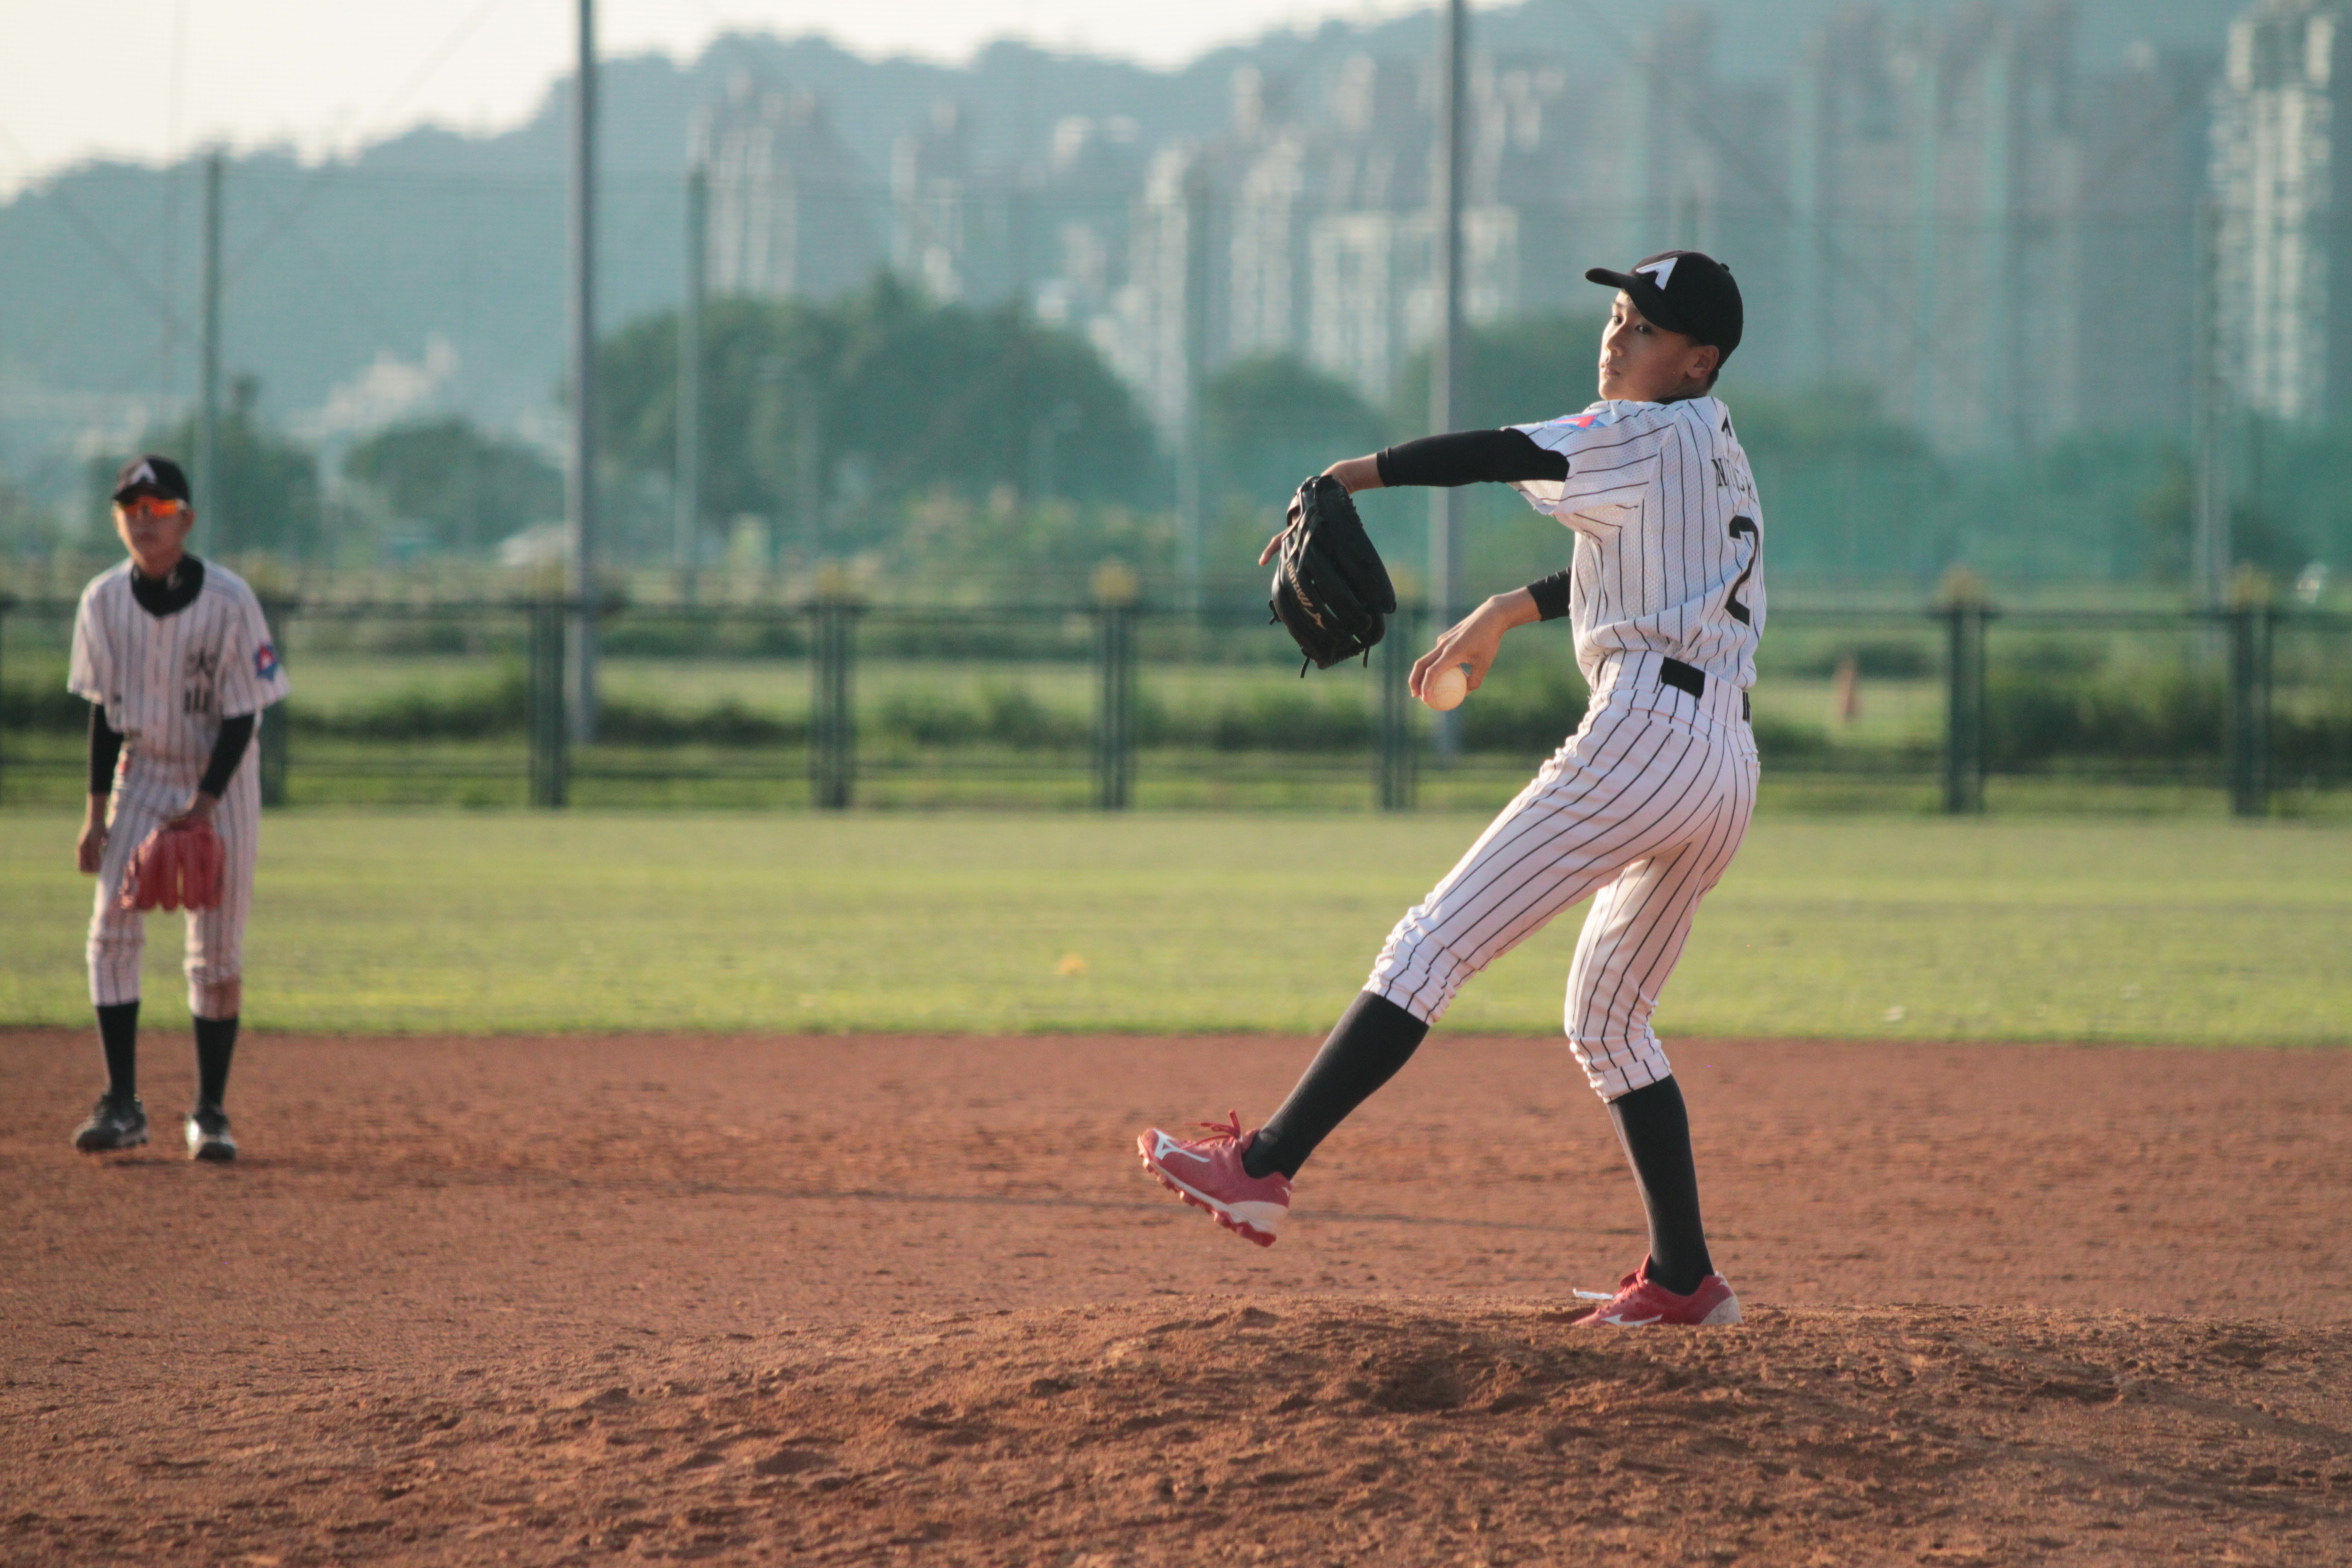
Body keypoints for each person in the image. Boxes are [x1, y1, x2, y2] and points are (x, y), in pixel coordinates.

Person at [1140, 251, 1762, 1327]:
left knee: (1429, 946)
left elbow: (1502, 450)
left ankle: (1264, 1166)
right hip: (1723, 764)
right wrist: (1511, 608)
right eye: (1618, 314)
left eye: (1646, 327)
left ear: (1698, 361)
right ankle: (1683, 1280)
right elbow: (1646, 562)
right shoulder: (1714, 447)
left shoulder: (1635, 431)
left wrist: (1351, 474)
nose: (1618, 335)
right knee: (1610, 1019)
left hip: (1645, 737)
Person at [68, 454, 290, 1161]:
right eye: (131, 509)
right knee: (110, 932)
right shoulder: (102, 601)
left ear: (186, 520)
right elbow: (104, 713)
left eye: (158, 508)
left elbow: (244, 715)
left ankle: (211, 1113)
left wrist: (204, 803)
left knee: (217, 952)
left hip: (220, 779)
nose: (144, 521)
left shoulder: (229, 600)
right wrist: (95, 814)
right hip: (141, 774)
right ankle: (122, 1103)